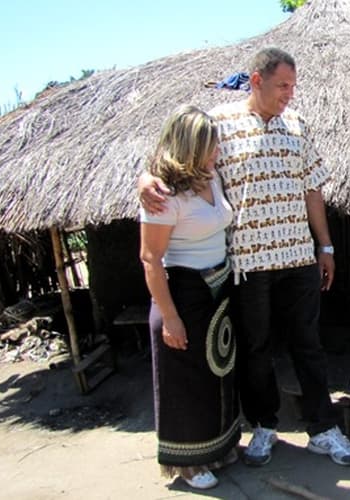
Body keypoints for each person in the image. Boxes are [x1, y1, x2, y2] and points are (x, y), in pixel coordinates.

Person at [139, 47, 350, 467]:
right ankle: (264, 426)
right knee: (255, 349)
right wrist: (145, 178)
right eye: (283, 85)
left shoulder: (296, 124)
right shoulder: (219, 124)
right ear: (256, 80)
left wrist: (326, 245)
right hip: (246, 264)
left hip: (297, 257)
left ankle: (323, 428)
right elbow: (174, 160)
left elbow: (312, 187)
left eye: (294, 86)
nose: (290, 95)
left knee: (308, 345)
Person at [140, 105, 239, 490]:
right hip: (183, 291)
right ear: (190, 147)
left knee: (216, 372)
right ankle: (188, 465)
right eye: (211, 146)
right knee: (185, 381)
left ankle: (217, 449)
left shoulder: (211, 177)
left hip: (217, 288)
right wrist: (170, 317)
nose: (218, 152)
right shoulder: (163, 195)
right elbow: (150, 259)